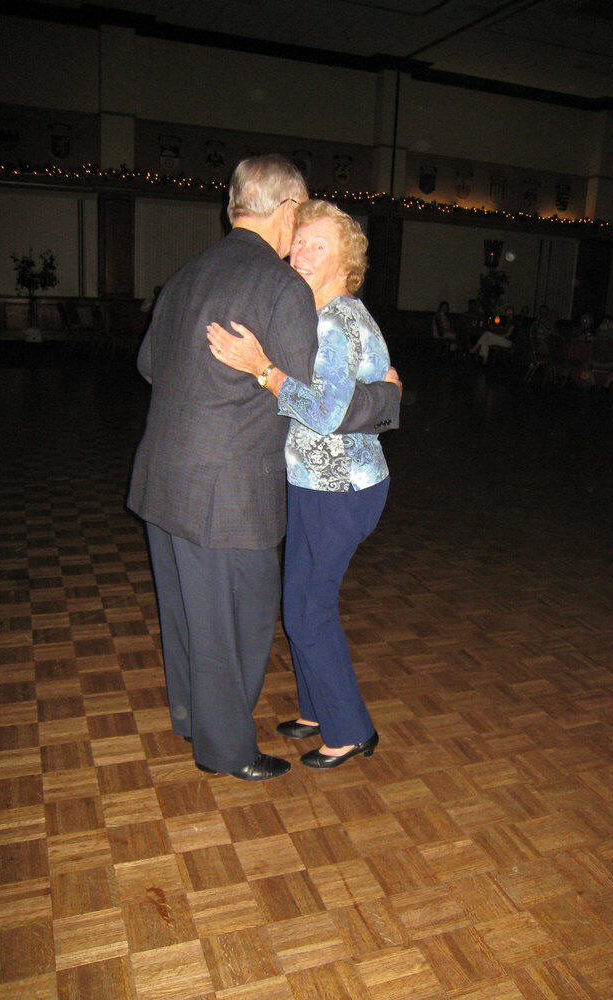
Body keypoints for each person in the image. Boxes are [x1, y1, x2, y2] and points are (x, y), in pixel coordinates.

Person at [127, 156, 401, 781]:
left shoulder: (185, 274)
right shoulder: (277, 287)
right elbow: (313, 393)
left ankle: (193, 717)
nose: (297, 238)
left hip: (162, 477)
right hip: (228, 490)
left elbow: (149, 364)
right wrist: (389, 398)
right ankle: (226, 751)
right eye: (296, 222)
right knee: (240, 619)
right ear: (282, 211)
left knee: (189, 614)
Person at [206, 200, 398, 769]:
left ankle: (351, 729)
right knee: (305, 601)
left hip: (338, 489)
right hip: (322, 485)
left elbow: (329, 412)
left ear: (346, 260)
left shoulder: (337, 319)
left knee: (308, 610)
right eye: (299, 242)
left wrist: (262, 370)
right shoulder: (324, 315)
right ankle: (317, 707)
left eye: (317, 244)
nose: (298, 253)